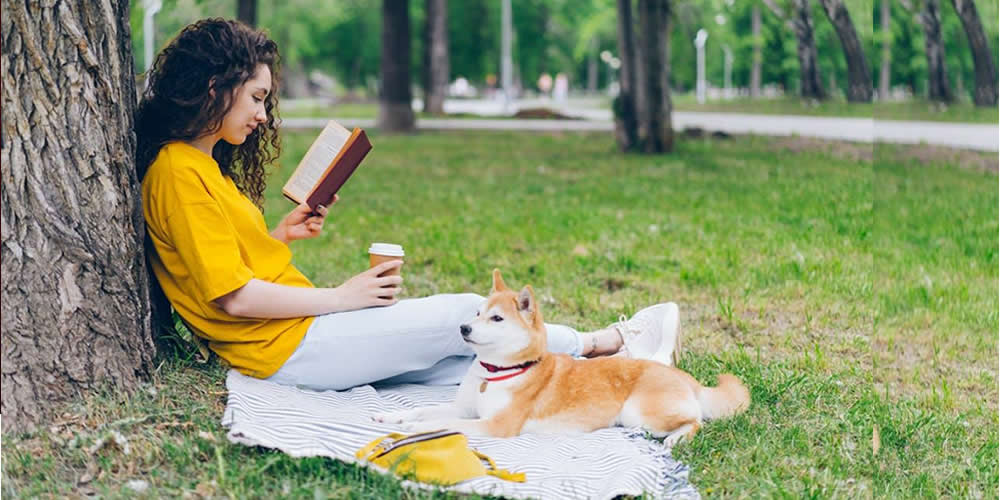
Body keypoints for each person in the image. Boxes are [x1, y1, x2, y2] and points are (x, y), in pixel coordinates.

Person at [135, 18, 681, 392]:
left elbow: (227, 264)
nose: (261, 115)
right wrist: (343, 297)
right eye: (256, 98)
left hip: (291, 338)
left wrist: (282, 235)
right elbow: (232, 298)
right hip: (282, 347)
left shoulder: (202, 166)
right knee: (462, 318)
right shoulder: (178, 172)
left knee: (466, 366)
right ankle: (606, 341)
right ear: (215, 87)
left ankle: (622, 369)